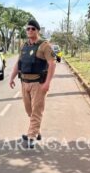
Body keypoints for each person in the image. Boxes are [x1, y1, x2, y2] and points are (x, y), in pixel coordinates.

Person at [9, 19, 56, 149]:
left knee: (36, 110)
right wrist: (11, 78)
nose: (30, 31)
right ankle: (36, 131)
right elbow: (18, 63)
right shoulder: (24, 46)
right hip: (24, 82)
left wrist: (47, 83)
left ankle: (31, 136)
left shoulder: (45, 46)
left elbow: (52, 63)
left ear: (38, 31)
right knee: (29, 110)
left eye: (33, 29)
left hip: (38, 83)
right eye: (28, 29)